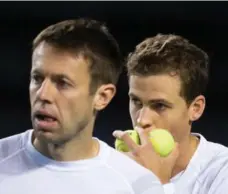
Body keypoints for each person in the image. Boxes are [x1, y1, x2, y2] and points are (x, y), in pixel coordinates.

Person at [0, 19, 164, 194]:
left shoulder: (137, 184)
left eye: (62, 83)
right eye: (37, 78)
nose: (43, 94)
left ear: (102, 97)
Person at [113, 34, 228, 194]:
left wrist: (155, 184)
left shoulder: (222, 172)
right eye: (137, 102)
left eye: (160, 105)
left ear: (195, 108)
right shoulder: (111, 169)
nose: (142, 120)